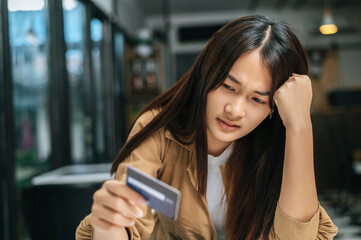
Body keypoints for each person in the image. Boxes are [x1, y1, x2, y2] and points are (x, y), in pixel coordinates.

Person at [76, 15, 338, 240]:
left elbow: (297, 237)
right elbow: (129, 226)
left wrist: (300, 124)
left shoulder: (275, 143)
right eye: (227, 86)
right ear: (206, 73)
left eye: (257, 99)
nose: (234, 110)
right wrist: (108, 223)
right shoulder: (160, 129)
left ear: (273, 107)